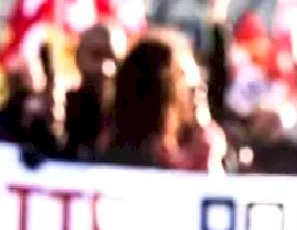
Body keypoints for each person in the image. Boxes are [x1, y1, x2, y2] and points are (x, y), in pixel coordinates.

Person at [99, 29, 226, 172]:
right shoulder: (121, 164)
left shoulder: (207, 148)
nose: (198, 92)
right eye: (183, 81)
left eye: (199, 84)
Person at [63, 23, 126, 160]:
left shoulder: (129, 119)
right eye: (96, 55)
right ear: (78, 57)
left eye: (113, 59)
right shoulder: (60, 108)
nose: (105, 68)